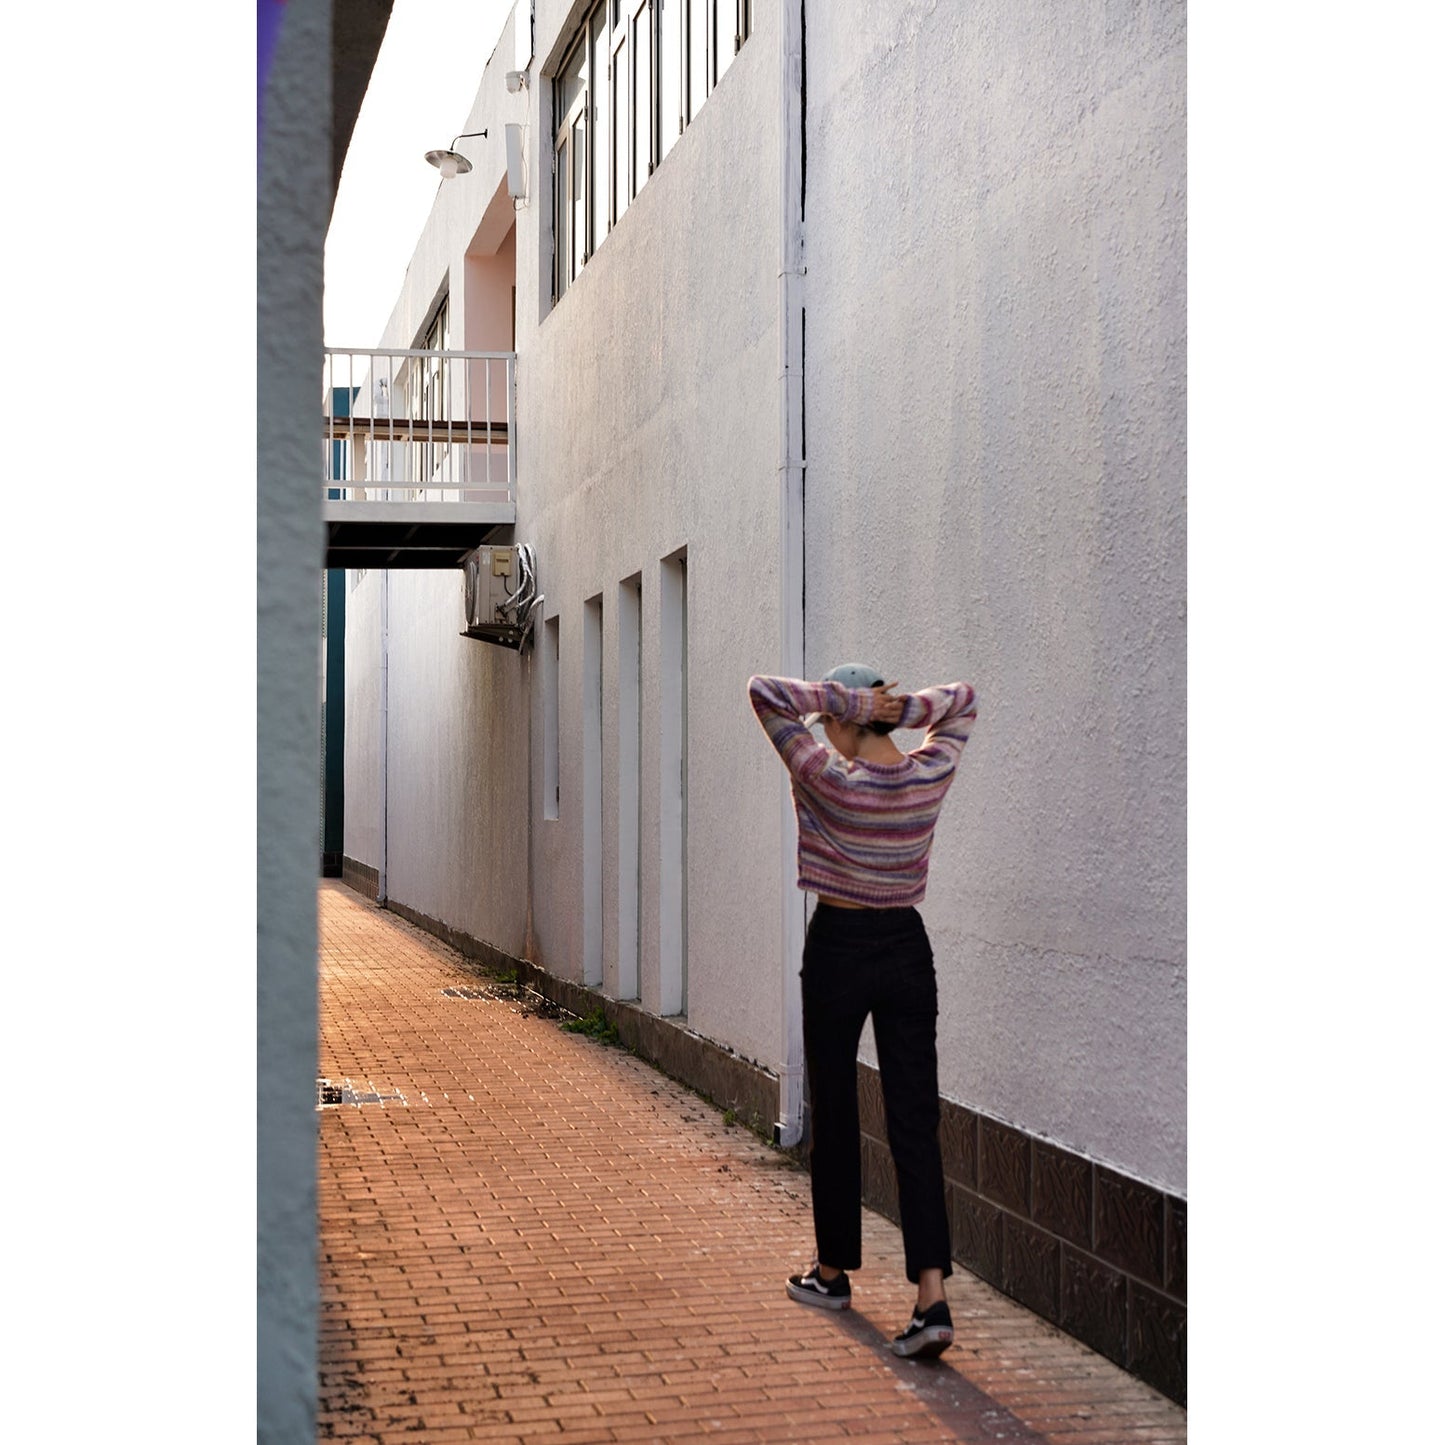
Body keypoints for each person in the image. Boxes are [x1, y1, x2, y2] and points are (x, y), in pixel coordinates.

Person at [747, 663, 978, 1359]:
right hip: (907, 945)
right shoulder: (927, 771)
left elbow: (765, 694)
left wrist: (839, 700)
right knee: (915, 1120)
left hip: (840, 946)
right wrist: (901, 708)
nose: (829, 735)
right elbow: (963, 701)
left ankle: (831, 1272)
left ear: (848, 719)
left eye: (835, 724)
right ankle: (930, 1297)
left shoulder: (827, 775)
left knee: (837, 1110)